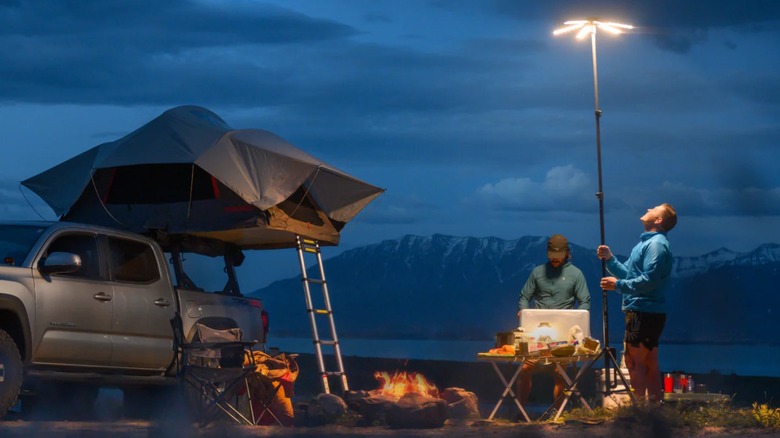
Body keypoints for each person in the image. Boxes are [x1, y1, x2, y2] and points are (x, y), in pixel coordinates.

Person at [597, 203, 677, 403]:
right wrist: (610, 260)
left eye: (654, 209)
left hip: (643, 310)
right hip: (648, 310)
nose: (649, 209)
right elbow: (631, 275)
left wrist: (618, 285)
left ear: (658, 220)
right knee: (649, 361)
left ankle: (639, 408)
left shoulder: (656, 245)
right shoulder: (646, 244)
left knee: (633, 361)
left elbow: (650, 279)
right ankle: (654, 408)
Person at [516, 234, 591, 406]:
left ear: (567, 253)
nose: (555, 259)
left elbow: (585, 301)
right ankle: (521, 411)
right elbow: (524, 296)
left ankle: (557, 413)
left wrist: (580, 320)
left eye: (558, 256)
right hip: (537, 333)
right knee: (525, 369)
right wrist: (523, 311)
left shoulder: (576, 274)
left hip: (563, 335)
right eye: (552, 256)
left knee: (559, 374)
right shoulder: (538, 272)